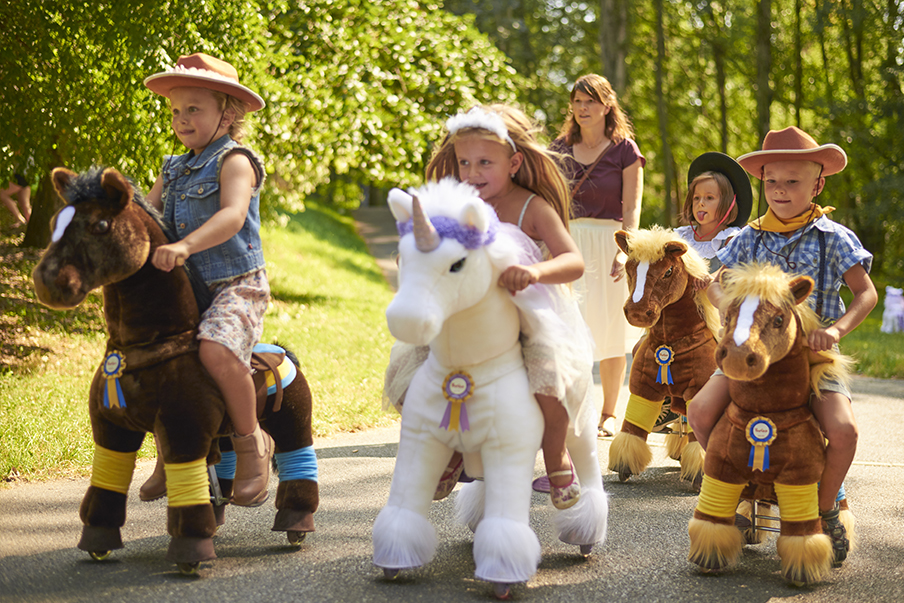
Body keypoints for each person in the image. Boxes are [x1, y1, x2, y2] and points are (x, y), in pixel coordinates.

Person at [686, 126, 878, 565]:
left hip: (813, 356)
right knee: (698, 410)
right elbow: (718, 285)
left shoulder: (835, 237)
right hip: (752, 355)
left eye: (792, 181)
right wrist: (733, 319)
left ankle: (825, 506)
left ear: (817, 183)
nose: (780, 190)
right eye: (771, 181)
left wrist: (836, 331)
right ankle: (743, 490)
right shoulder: (749, 237)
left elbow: (866, 294)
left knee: (843, 430)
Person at [403, 104, 594, 509]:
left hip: (527, 308)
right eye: (464, 162)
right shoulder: (453, 207)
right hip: (464, 312)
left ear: (515, 162)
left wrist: (536, 273)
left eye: (485, 163)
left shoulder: (531, 207)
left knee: (549, 373)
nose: (472, 174)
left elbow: (572, 261)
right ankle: (451, 448)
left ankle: (555, 452)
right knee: (412, 367)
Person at [140, 53, 272, 507]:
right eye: (176, 111)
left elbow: (233, 216)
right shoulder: (172, 168)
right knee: (156, 358)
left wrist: (183, 246)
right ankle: (170, 454)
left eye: (193, 108)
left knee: (216, 347)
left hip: (235, 284)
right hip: (186, 290)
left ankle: (252, 442)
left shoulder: (236, 161)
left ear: (227, 113)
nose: (181, 120)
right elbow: (148, 217)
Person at [549, 74, 645, 439]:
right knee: (568, 327)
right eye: (577, 101)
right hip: (570, 241)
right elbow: (550, 202)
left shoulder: (625, 150)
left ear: (607, 106)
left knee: (610, 329)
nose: (583, 108)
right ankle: (575, 409)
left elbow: (632, 207)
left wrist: (627, 250)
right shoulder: (559, 148)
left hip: (611, 242)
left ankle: (608, 413)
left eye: (590, 101)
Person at [676, 152, 752, 273]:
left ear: (727, 203)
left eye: (709, 198)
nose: (700, 203)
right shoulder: (680, 236)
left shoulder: (732, 239)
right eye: (696, 198)